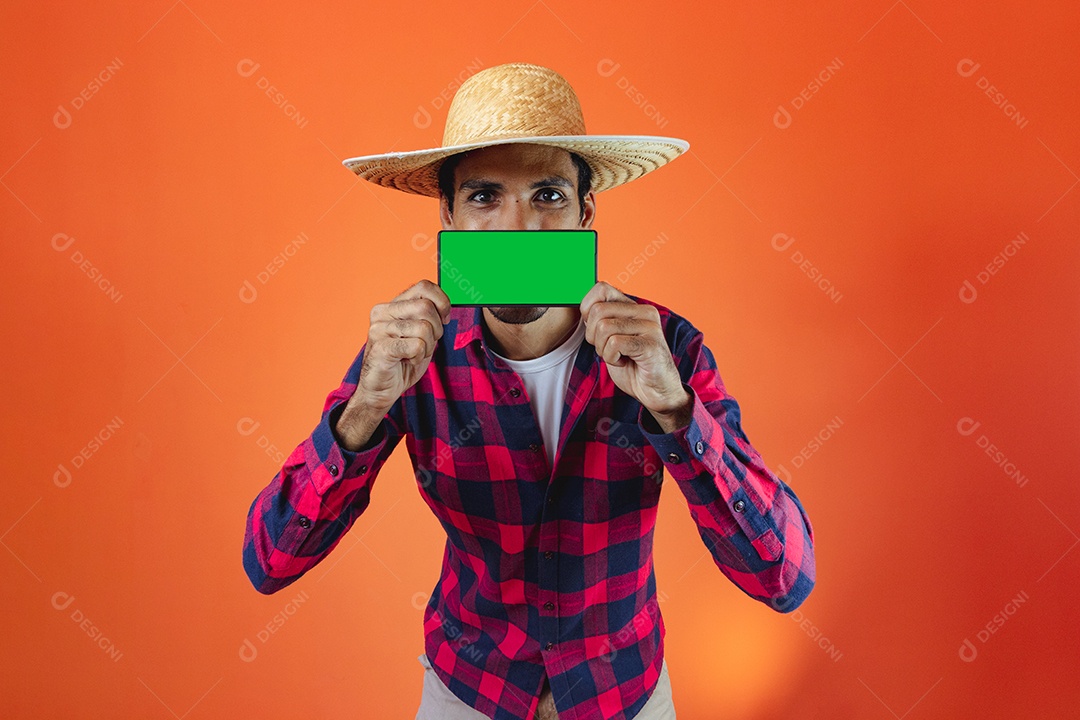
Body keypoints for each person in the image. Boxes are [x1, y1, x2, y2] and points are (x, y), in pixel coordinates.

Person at [242, 62, 816, 720]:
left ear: (584, 211)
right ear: (450, 215)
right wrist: (365, 408)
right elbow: (270, 560)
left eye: (547, 196)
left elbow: (784, 578)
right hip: (467, 689)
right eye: (485, 197)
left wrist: (675, 411)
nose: (519, 225)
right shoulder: (406, 355)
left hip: (622, 693)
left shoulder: (669, 348)